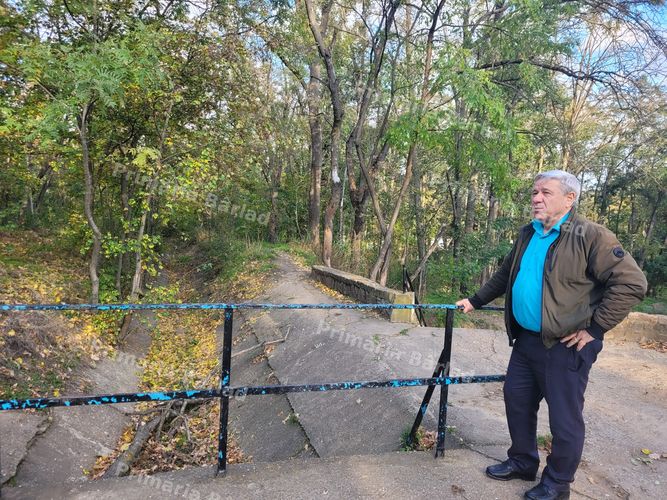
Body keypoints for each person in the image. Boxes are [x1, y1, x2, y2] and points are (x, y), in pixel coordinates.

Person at [456, 170, 647, 500]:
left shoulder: (591, 236)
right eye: (534, 192)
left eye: (545, 192)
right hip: (526, 340)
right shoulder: (528, 232)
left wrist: (596, 328)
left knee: (564, 419)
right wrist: (475, 301)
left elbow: (632, 283)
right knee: (517, 401)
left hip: (566, 346)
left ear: (569, 198)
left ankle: (557, 484)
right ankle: (522, 461)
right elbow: (506, 274)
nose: (536, 198)